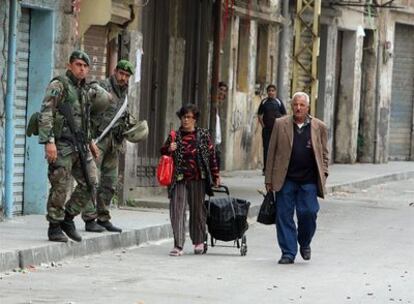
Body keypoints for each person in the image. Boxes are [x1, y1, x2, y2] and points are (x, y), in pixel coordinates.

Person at [38, 50, 110, 242]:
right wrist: (49, 142)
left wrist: (90, 141)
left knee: (92, 182)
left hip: (81, 145)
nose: (82, 69)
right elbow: (46, 113)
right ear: (70, 65)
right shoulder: (59, 85)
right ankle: (54, 227)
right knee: (60, 185)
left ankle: (68, 218)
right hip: (61, 145)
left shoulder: (84, 90)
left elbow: (84, 121)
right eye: (78, 65)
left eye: (85, 66)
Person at [264, 92, 329, 264]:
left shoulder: (319, 126)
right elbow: (271, 152)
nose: (298, 108)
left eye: (302, 105)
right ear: (291, 106)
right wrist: (268, 179)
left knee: (309, 212)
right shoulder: (280, 124)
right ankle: (288, 252)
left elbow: (324, 154)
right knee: (283, 215)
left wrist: (325, 173)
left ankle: (305, 242)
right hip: (285, 179)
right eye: (295, 104)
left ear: (308, 107)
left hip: (308, 180)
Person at [81, 60, 137, 233]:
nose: (123, 78)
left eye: (127, 76)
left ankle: (103, 217)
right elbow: (85, 112)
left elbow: (123, 116)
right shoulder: (101, 87)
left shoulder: (125, 93)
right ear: (115, 71)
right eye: (121, 74)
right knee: (92, 179)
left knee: (110, 182)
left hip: (114, 142)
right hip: (98, 140)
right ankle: (90, 218)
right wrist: (88, 139)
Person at [160, 104, 220, 256]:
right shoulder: (174, 135)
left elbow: (211, 156)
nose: (185, 120)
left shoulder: (203, 135)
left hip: (198, 178)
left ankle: (198, 241)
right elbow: (163, 151)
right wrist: (169, 148)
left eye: (189, 117)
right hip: (178, 178)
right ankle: (178, 244)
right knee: (177, 209)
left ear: (195, 119)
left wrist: (216, 175)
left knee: (197, 210)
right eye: (183, 117)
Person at [258, 84, 287, 174]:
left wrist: (281, 126)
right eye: (269, 91)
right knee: (266, 149)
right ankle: (266, 169)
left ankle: (275, 168)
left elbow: (284, 115)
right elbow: (259, 115)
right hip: (267, 130)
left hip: (277, 130)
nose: (271, 92)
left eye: (272, 91)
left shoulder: (279, 102)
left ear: (275, 92)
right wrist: (263, 125)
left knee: (277, 149)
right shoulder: (264, 102)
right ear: (267, 92)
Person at [214, 81, 228, 170]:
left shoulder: (218, 106)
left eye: (224, 91)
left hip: (216, 141)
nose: (222, 92)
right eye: (221, 89)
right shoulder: (212, 104)